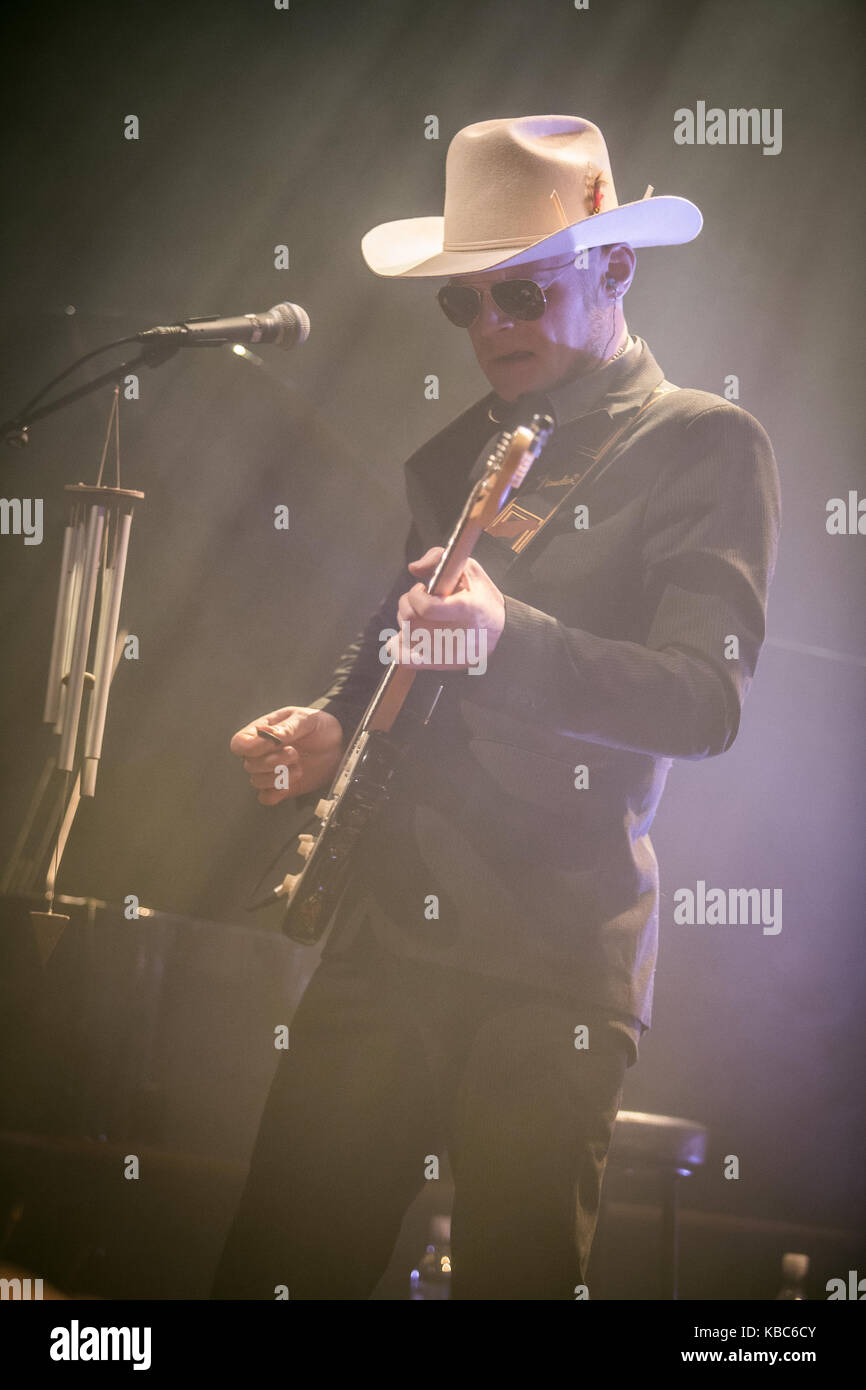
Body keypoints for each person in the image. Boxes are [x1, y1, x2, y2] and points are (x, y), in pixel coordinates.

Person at [210, 115, 780, 1300]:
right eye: (464, 304)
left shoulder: (702, 444)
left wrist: (510, 638)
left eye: (519, 292)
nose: (491, 328)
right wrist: (331, 720)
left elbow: (704, 699)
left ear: (613, 266)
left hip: (548, 962)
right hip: (384, 940)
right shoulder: (456, 451)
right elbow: (399, 636)